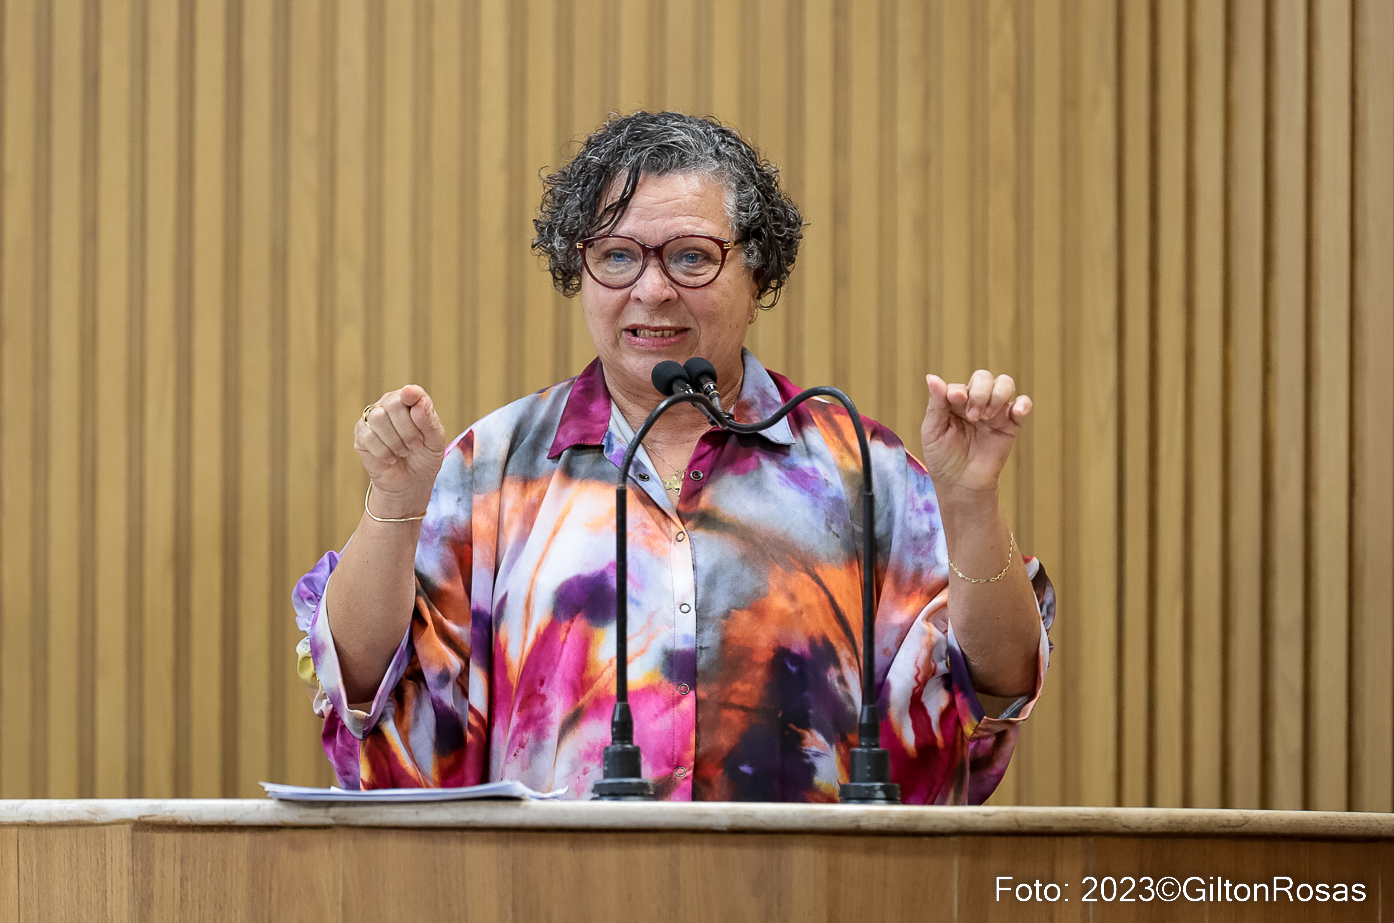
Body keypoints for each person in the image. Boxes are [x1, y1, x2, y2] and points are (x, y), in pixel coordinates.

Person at [292, 111, 1054, 803]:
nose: (652, 290)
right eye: (617, 256)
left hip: (805, 887)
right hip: (555, 887)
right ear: (579, 270)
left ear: (758, 272)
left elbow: (991, 687)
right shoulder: (494, 466)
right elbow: (366, 688)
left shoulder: (860, 466)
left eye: (692, 257)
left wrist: (970, 503)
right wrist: (394, 502)